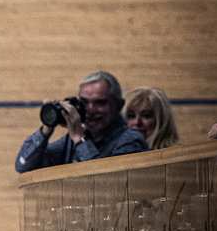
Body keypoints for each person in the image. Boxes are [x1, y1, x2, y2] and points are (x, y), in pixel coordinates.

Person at [15, 71, 148, 172]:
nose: (90, 110)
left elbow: (106, 182)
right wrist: (46, 129)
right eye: (84, 102)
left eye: (99, 103)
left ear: (119, 105)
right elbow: (23, 165)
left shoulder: (131, 140)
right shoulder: (72, 140)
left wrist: (80, 139)